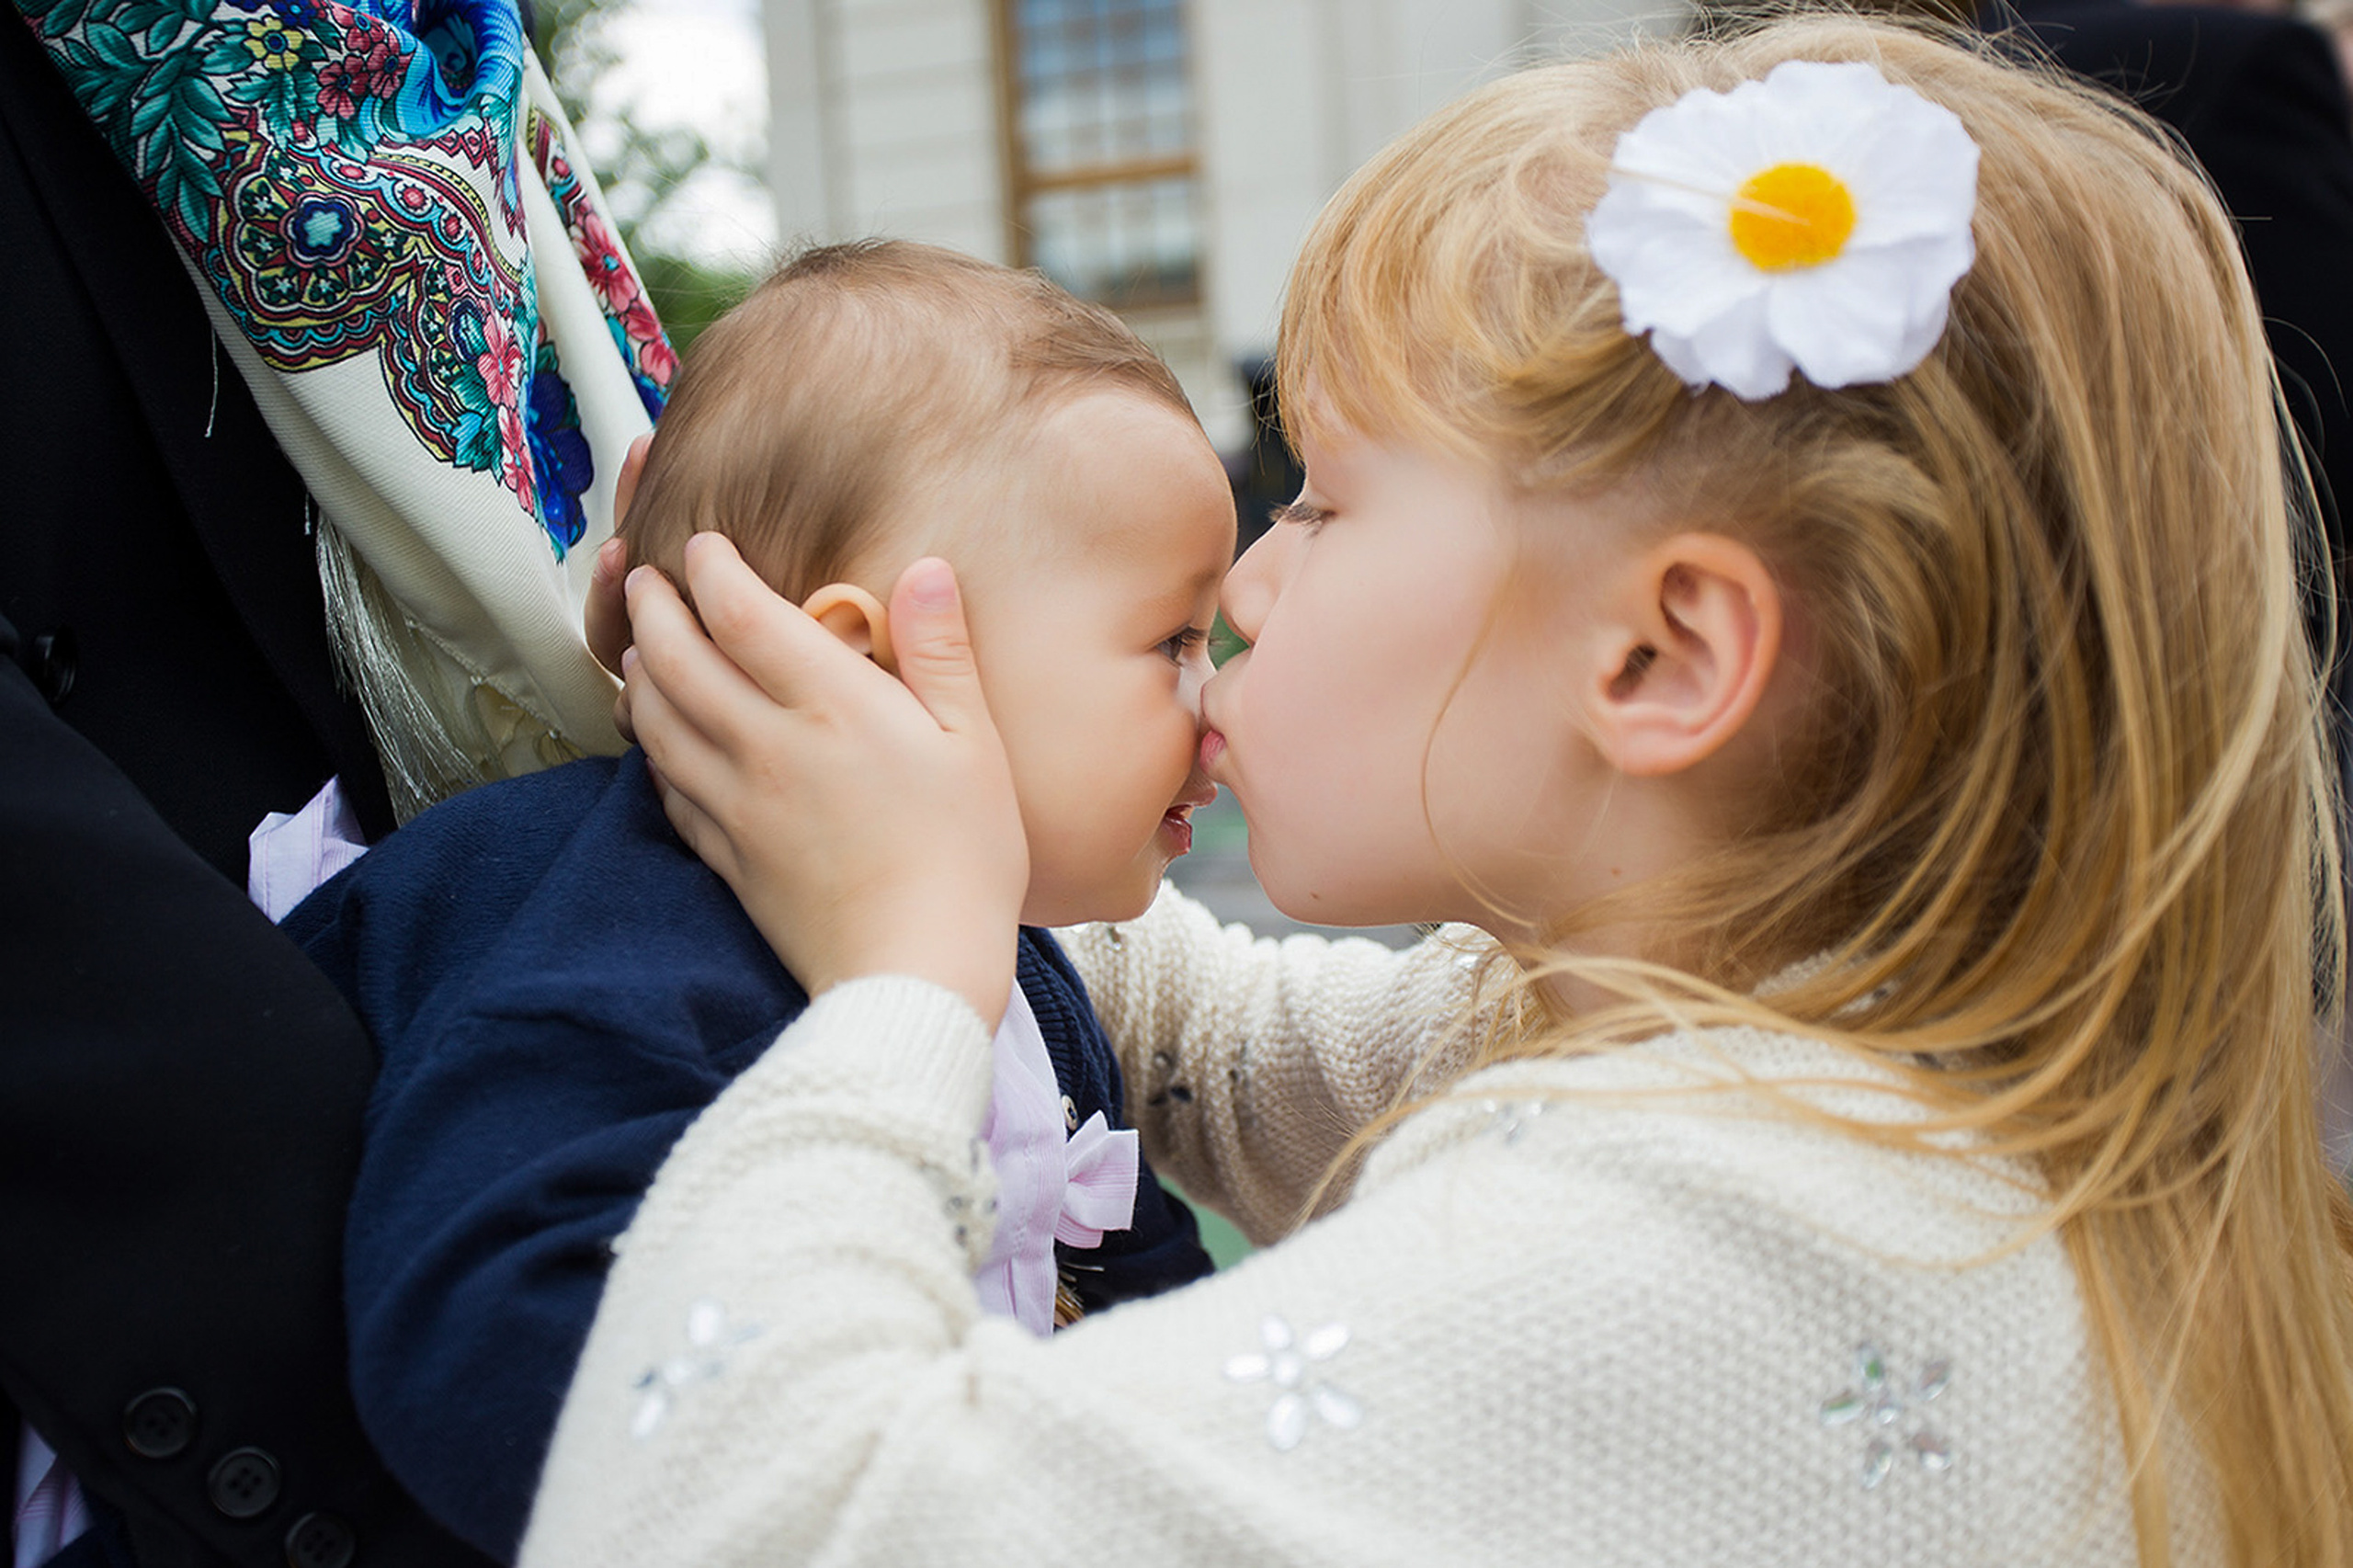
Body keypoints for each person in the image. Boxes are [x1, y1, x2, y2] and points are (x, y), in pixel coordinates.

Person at [521, 15, 2353, 1566]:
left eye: (1320, 500)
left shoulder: (1689, 1253)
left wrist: (897, 977)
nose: (1241, 579)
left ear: (1659, 660)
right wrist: (926, 761)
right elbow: (1197, 1035)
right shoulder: (1839, 1083)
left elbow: (719, 1509)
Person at [282, 240, 1229, 1562]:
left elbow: (1145, 1295)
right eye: (1173, 642)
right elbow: (490, 1345)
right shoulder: (619, 944)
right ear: (860, 663)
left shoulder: (1027, 974)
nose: (1217, 702)